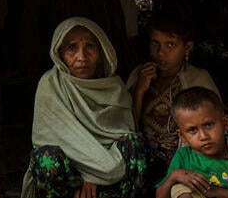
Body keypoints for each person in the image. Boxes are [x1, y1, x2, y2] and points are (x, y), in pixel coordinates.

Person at [21, 17, 146, 198]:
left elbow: (123, 134)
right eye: (72, 48)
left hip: (110, 175)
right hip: (71, 178)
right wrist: (88, 173)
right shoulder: (50, 84)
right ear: (60, 53)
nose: (82, 57)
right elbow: (47, 138)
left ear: (101, 51)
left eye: (90, 47)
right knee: (46, 158)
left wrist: (96, 175)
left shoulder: (115, 89)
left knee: (135, 144)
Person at [126, 15, 221, 194]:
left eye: (170, 45)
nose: (161, 53)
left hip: (186, 157)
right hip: (143, 160)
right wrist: (139, 91)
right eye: (155, 44)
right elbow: (125, 125)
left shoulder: (198, 79)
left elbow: (212, 130)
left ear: (187, 47)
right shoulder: (138, 75)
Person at [156, 87, 228, 198]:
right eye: (192, 130)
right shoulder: (184, 156)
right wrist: (173, 176)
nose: (203, 136)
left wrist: (215, 191)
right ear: (183, 136)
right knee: (180, 189)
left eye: (208, 125)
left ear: (225, 123)